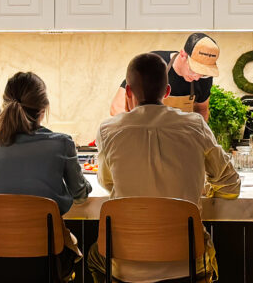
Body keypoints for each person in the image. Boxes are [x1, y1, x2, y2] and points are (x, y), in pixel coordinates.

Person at [89, 53, 241, 283]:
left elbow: (107, 183)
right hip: (187, 265)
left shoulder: (107, 130)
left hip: (125, 267)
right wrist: (204, 188)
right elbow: (231, 186)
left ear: (128, 91)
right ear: (167, 92)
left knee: (94, 257)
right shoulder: (195, 125)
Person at [0, 72, 92, 282]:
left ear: (5, 105)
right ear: (43, 110)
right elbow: (80, 195)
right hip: (46, 263)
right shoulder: (62, 143)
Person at [108, 33, 221, 120]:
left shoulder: (204, 79)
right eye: (194, 69)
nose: (197, 77)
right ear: (182, 55)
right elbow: (117, 107)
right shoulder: (153, 63)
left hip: (179, 143)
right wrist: (140, 130)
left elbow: (201, 111)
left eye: (203, 73)